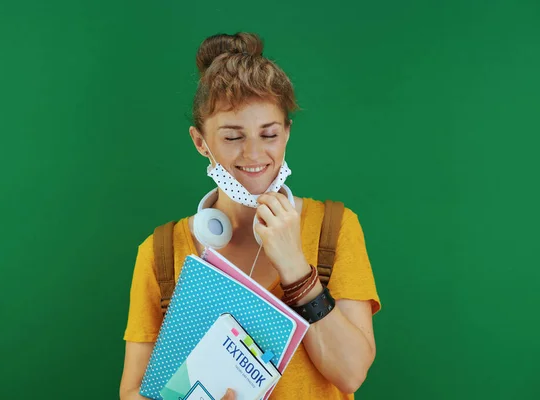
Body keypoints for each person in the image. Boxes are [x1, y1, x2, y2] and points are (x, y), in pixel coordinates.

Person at [119, 32, 381, 400]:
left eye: (269, 133)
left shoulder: (334, 229)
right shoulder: (160, 252)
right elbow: (132, 392)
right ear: (200, 142)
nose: (254, 154)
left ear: (287, 133)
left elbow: (351, 374)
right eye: (232, 137)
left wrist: (296, 268)